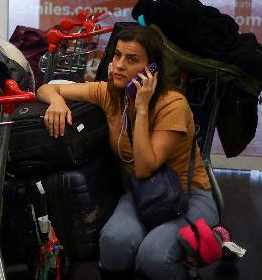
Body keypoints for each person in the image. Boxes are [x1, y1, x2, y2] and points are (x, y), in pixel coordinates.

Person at [36, 26, 216, 280]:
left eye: (131, 60)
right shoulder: (110, 93)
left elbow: (144, 166)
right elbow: (47, 88)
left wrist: (141, 109)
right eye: (117, 55)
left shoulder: (172, 104)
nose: (119, 65)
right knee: (113, 242)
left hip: (188, 195)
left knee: (153, 255)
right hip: (142, 194)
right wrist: (56, 101)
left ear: (152, 69)